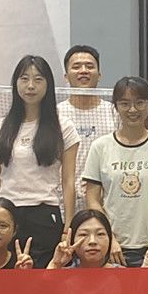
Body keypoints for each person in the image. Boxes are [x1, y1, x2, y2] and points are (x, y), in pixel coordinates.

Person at [0, 54, 80, 259]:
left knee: (44, 274)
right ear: (16, 83)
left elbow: (68, 180)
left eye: (38, 79)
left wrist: (68, 226)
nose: (31, 86)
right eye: (24, 79)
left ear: (48, 84)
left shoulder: (64, 127)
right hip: (6, 214)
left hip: (45, 215)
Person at [81, 75, 148, 265]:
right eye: (125, 103)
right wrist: (109, 238)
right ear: (116, 106)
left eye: (139, 103)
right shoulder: (100, 146)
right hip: (111, 248)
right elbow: (92, 199)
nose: (132, 110)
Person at [58, 45, 119, 211]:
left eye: (90, 66)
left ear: (99, 75)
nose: (83, 71)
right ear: (66, 76)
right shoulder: (56, 114)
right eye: (76, 67)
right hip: (63, 204)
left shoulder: (114, 113)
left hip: (105, 203)